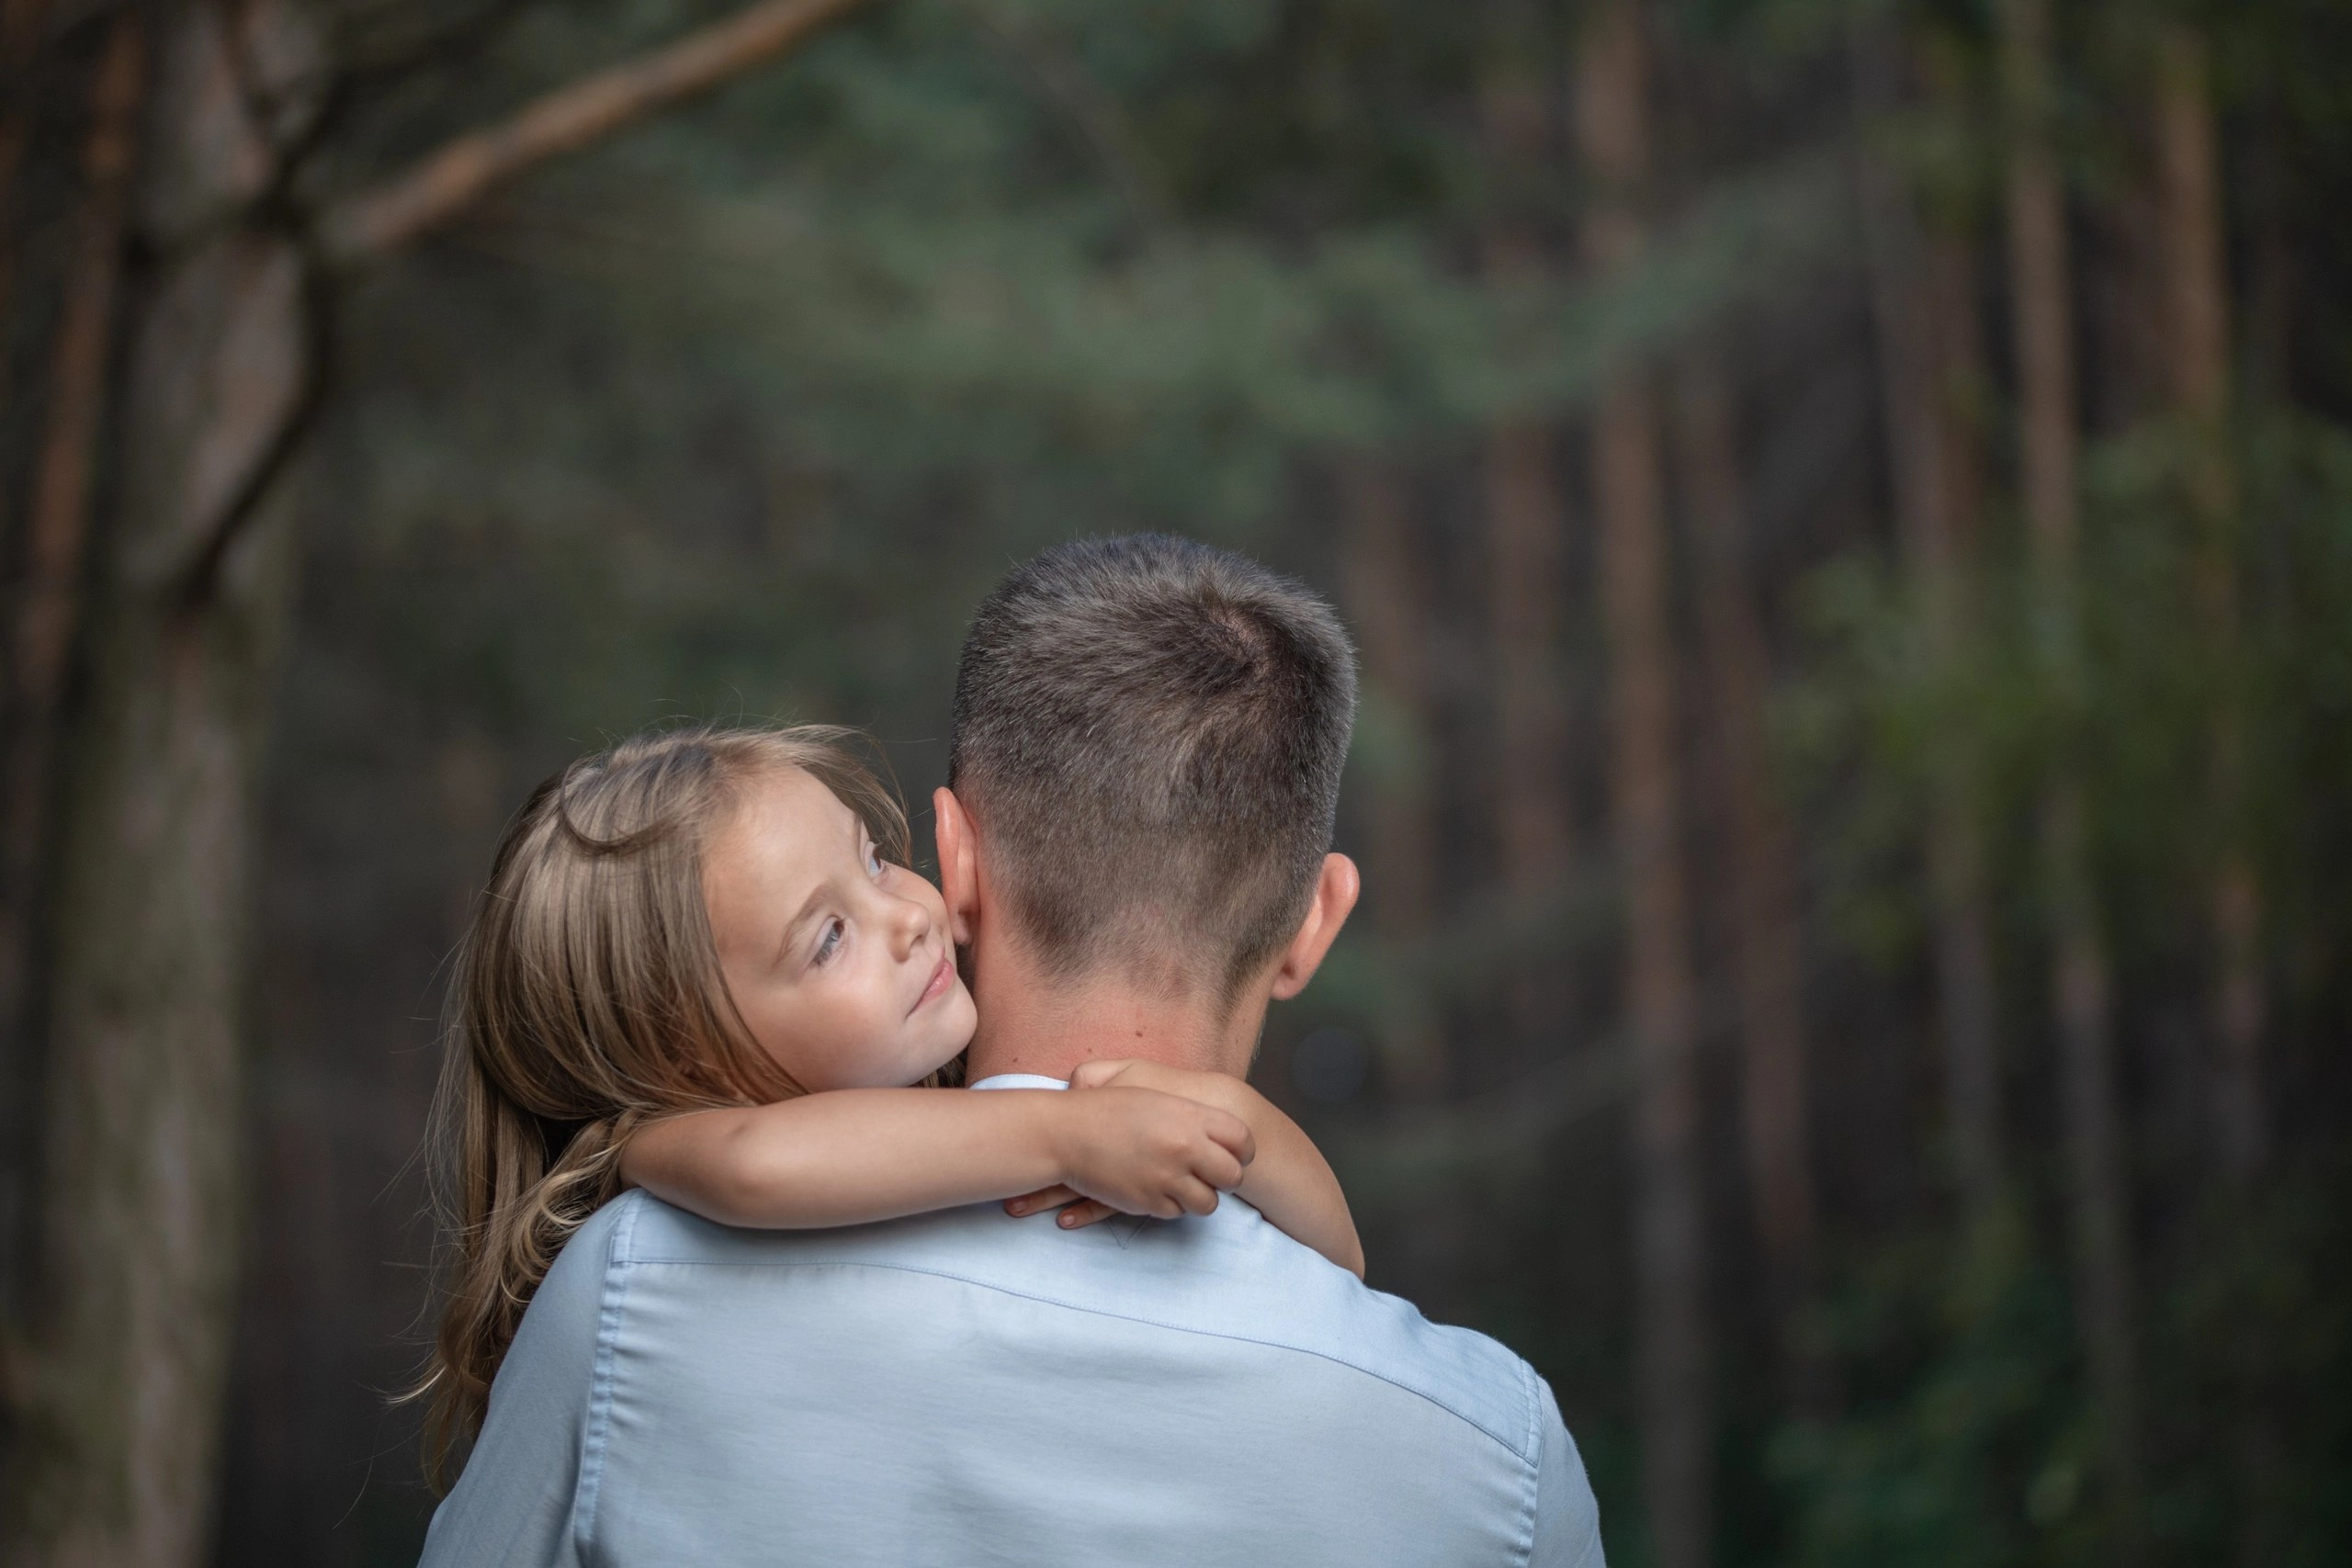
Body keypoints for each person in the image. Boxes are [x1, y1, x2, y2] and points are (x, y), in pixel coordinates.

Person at [417, 535, 1605, 1567]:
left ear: (955, 853)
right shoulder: (1502, 1456)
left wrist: (1217, 1138)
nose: (906, 911)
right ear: (1314, 923)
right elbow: (743, 1166)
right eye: (825, 935)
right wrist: (1071, 1132)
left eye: (878, 859)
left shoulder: (633, 1298)